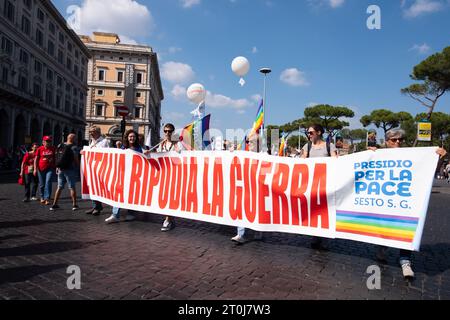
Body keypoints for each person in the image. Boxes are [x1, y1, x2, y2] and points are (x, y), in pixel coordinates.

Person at [374, 129, 447, 279]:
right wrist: (369, 153)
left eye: (400, 139)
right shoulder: (379, 154)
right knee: (385, 226)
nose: (398, 142)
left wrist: (439, 158)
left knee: (405, 229)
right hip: (385, 199)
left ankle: (405, 261)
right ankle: (382, 248)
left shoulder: (411, 154)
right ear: (387, 142)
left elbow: (427, 170)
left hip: (404, 200)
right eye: (394, 140)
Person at [301, 124, 338, 249]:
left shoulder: (329, 146)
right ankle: (315, 236)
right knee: (314, 210)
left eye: (311, 132)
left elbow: (335, 161)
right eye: (308, 133)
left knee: (324, 210)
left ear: (319, 132)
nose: (309, 135)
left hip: (326, 184)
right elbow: (301, 161)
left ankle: (324, 237)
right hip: (312, 184)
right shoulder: (307, 146)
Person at [231, 132, 264, 244]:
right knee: (241, 208)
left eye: (251, 141)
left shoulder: (265, 156)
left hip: (259, 188)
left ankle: (258, 231)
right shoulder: (244, 154)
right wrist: (231, 153)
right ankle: (240, 234)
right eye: (248, 141)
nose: (248, 144)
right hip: (245, 187)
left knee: (257, 209)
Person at [105, 130, 140, 224]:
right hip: (123, 175)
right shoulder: (124, 147)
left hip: (134, 176)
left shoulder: (139, 149)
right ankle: (115, 215)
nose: (132, 138)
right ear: (127, 138)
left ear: (136, 138)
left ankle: (129, 213)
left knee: (132, 195)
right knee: (118, 194)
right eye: (130, 137)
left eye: (133, 136)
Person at [157, 123, 181, 232]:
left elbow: (181, 156)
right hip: (163, 174)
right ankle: (170, 218)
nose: (167, 133)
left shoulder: (177, 144)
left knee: (170, 197)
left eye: (170, 131)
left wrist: (177, 149)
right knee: (164, 197)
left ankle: (167, 220)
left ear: (173, 132)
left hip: (173, 175)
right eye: (165, 131)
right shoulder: (160, 145)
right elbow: (156, 157)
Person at [50, 134, 80, 211]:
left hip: (60, 168)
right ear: (73, 139)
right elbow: (75, 158)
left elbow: (57, 156)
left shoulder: (60, 145)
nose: (76, 139)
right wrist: (78, 166)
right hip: (70, 168)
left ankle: (54, 204)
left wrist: (57, 166)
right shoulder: (74, 147)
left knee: (59, 187)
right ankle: (74, 205)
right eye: (75, 138)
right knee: (72, 187)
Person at [85, 126, 110, 216]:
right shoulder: (91, 141)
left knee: (98, 188)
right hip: (91, 168)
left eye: (92, 132)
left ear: (98, 132)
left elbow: (108, 155)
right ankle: (95, 206)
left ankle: (97, 207)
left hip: (100, 169)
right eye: (90, 131)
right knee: (92, 188)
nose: (90, 133)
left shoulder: (104, 142)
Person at [34, 136, 56, 205]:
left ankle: (47, 198)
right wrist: (35, 169)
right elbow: (36, 159)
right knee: (42, 184)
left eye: (49, 141)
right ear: (43, 142)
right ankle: (42, 197)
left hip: (50, 168)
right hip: (41, 169)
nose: (48, 143)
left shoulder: (53, 148)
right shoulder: (40, 149)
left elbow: (55, 158)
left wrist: (57, 166)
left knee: (48, 182)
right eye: (47, 141)